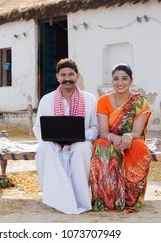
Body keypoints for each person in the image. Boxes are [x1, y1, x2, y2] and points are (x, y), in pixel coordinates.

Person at [33, 58, 98, 214]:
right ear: (57, 77)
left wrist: (79, 134)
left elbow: (95, 128)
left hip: (80, 142)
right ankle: (56, 197)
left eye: (71, 74)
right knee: (44, 148)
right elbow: (37, 128)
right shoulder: (46, 100)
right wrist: (53, 136)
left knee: (82, 148)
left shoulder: (89, 99)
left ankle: (80, 199)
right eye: (63, 75)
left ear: (78, 76)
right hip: (54, 143)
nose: (67, 78)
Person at [89, 63, 152, 212]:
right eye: (116, 79)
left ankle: (130, 199)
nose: (120, 83)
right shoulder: (103, 101)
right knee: (102, 146)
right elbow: (103, 131)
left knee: (140, 147)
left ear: (131, 80)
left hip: (131, 140)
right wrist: (113, 138)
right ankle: (106, 199)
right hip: (109, 139)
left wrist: (128, 136)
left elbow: (137, 132)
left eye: (124, 78)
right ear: (112, 81)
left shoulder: (140, 102)